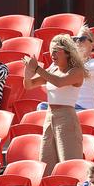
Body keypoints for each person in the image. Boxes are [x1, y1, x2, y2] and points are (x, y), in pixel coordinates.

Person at [24, 34, 88, 176]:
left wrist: (37, 69)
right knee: (46, 164)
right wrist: (28, 71)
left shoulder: (76, 71)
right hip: (49, 117)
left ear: (67, 52)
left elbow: (59, 82)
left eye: (55, 51)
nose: (52, 54)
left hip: (66, 118)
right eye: (51, 50)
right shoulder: (52, 69)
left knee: (69, 165)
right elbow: (30, 85)